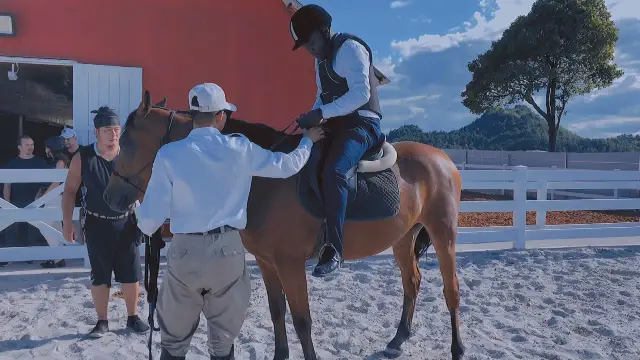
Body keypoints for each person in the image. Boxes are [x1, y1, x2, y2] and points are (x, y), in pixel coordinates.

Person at [134, 82, 325, 360]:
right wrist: (308, 140)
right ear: (221, 116)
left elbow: (150, 220)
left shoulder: (168, 154)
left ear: (192, 114)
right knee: (222, 344)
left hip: (185, 252)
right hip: (228, 250)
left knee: (173, 343)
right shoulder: (240, 148)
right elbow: (288, 166)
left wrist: (137, 216)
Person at [289, 4, 385, 277]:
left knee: (335, 170)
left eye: (312, 41)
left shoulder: (350, 49)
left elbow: (360, 94)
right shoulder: (319, 60)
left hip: (363, 123)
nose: (310, 48)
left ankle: (335, 249)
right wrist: (312, 115)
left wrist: (322, 113)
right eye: (306, 45)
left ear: (325, 31)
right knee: (305, 152)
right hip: (336, 122)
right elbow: (323, 95)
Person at [61, 107, 150, 338]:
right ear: (96, 132)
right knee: (100, 275)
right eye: (108, 130)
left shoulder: (128, 155)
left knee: (131, 274)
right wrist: (67, 223)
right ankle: (102, 321)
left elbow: (144, 188)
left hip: (127, 223)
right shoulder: (83, 157)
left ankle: (132, 317)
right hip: (96, 224)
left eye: (117, 130)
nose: (113, 135)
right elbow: (70, 192)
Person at [3, 135, 51, 252]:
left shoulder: (41, 162)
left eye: (32, 145)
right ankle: (8, 256)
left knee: (33, 232)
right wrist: (7, 204)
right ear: (19, 147)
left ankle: (31, 256)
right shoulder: (12, 164)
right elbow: (7, 185)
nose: (30, 147)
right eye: (27, 145)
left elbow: (49, 183)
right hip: (15, 202)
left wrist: (41, 199)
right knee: (12, 231)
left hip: (35, 203)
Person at [39, 136, 73, 268]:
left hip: (56, 197)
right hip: (60, 197)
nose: (46, 150)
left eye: (47, 147)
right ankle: (58, 257)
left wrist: (44, 197)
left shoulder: (60, 162)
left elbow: (56, 183)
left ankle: (58, 258)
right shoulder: (63, 161)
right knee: (56, 228)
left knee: (44, 226)